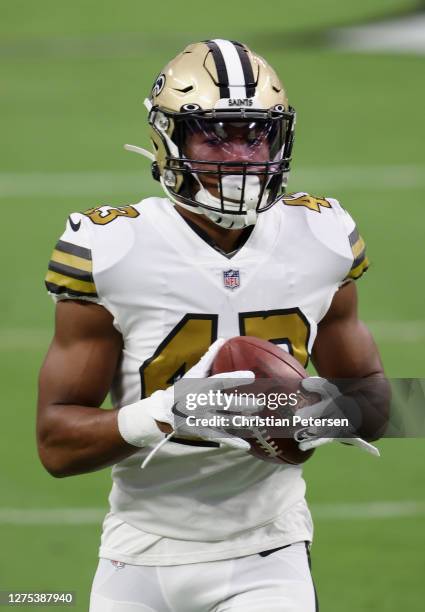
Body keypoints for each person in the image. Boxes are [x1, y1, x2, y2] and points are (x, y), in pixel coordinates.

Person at [37, 39, 387, 612]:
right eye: (216, 133)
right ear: (169, 139)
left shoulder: (323, 236)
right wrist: (163, 415)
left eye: (257, 134)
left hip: (267, 554)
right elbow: (54, 444)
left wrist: (311, 414)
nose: (242, 155)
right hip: (136, 552)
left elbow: (376, 401)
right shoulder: (109, 248)